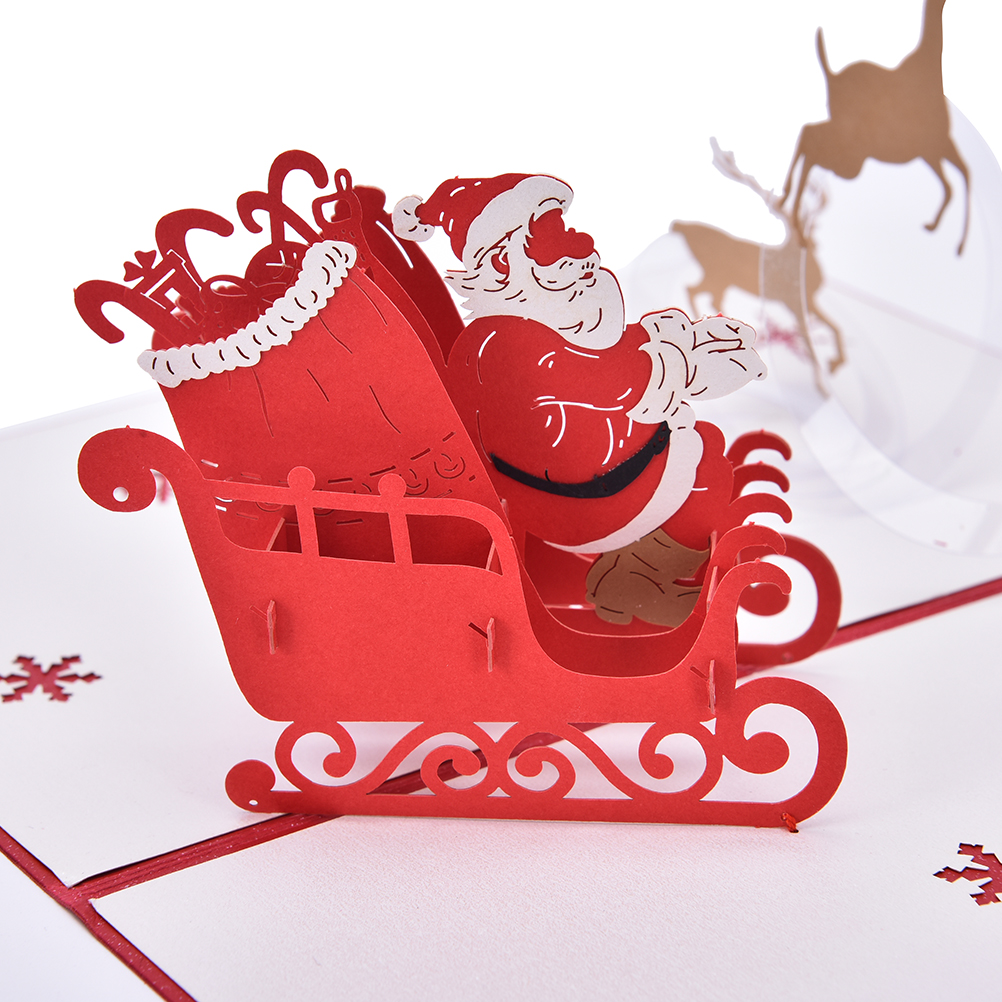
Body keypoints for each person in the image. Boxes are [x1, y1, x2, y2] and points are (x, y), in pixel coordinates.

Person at [392, 174, 766, 625]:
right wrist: (675, 362)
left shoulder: (546, 324)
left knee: (704, 457)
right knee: (703, 476)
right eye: (551, 237)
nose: (583, 249)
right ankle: (635, 581)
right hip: (581, 501)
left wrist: (680, 342)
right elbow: (594, 380)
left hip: (608, 480)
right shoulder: (497, 346)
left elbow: (605, 354)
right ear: (504, 264)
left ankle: (636, 571)